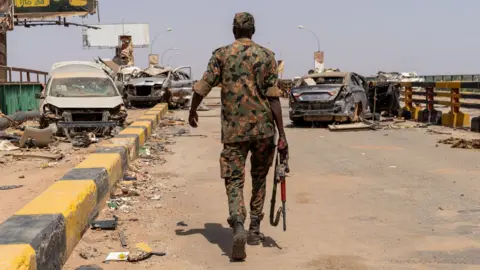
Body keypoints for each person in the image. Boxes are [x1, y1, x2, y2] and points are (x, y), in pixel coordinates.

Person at [188, 12, 288, 261]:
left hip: (234, 132)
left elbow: (203, 85)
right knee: (259, 178)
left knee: (234, 180)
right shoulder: (267, 56)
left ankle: (238, 223)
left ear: (234, 30)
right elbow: (273, 97)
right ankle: (254, 230)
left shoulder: (221, 54)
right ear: (252, 31)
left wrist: (192, 110)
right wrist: (283, 134)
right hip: (264, 129)